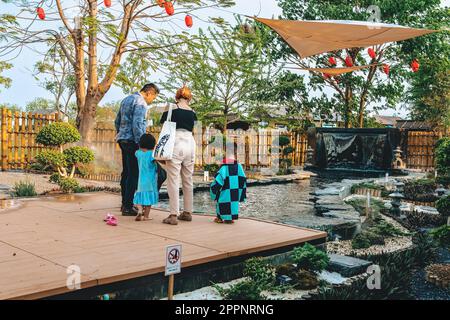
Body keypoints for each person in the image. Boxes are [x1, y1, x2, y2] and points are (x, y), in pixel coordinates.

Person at [115, 83, 160, 216]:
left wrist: (120, 133)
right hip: (133, 141)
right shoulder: (141, 102)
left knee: (126, 172)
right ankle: (128, 206)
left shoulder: (126, 99)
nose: (152, 100)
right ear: (149, 93)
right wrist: (142, 143)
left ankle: (125, 204)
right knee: (133, 173)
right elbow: (137, 124)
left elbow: (117, 121)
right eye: (153, 97)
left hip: (122, 139)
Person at [160, 86, 197, 225]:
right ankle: (187, 212)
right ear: (189, 98)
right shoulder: (193, 112)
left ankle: (173, 215)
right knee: (188, 179)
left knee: (173, 180)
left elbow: (163, 127)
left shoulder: (171, 108)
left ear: (177, 96)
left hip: (175, 142)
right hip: (190, 143)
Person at [210, 142, 247, 224]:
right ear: (236, 151)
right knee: (233, 201)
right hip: (234, 194)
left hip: (224, 193)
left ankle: (219, 218)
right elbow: (243, 180)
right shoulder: (239, 166)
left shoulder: (224, 167)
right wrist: (241, 194)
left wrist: (213, 190)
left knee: (222, 198)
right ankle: (229, 218)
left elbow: (218, 183)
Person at [133, 134, 159, 221]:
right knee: (148, 201)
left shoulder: (138, 153)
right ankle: (146, 217)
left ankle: (140, 210)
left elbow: (137, 151)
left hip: (141, 182)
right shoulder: (151, 154)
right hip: (150, 182)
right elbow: (158, 158)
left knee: (139, 198)